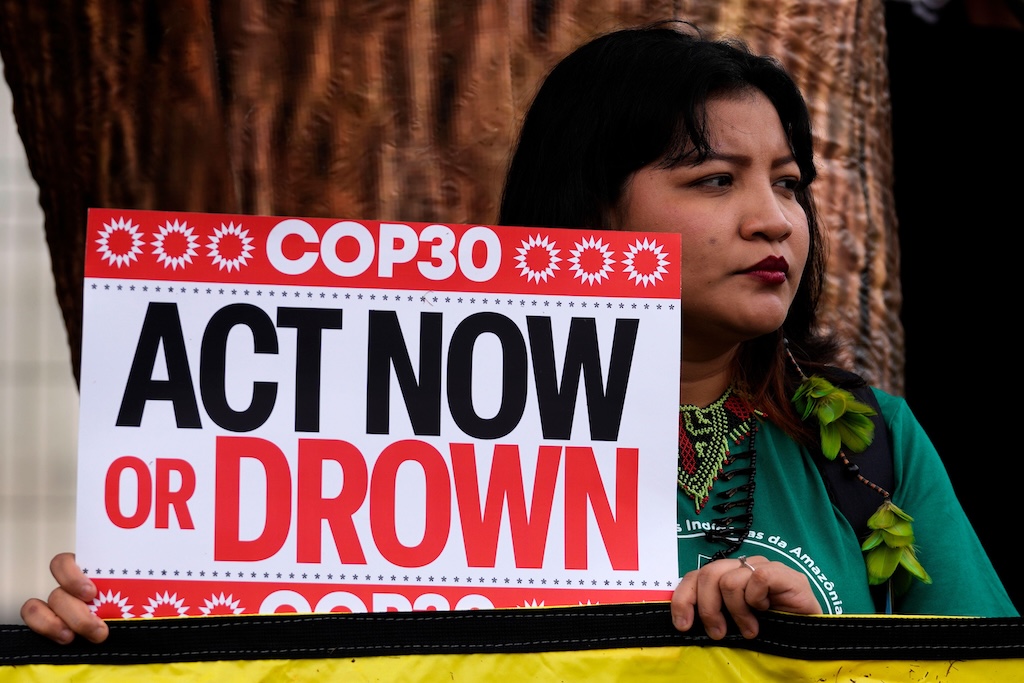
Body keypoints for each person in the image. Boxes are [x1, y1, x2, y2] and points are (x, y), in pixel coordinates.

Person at [20, 20, 1017, 646]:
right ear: (593, 212)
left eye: (787, 183)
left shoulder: (869, 441)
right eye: (715, 179)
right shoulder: (396, 430)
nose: (773, 219)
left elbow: (981, 674)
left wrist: (816, 661)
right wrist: (127, 640)